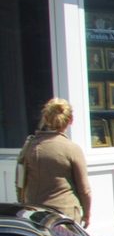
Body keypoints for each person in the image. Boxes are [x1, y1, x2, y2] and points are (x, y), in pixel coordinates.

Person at [15, 97, 92, 226]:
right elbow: (84, 190)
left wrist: (23, 205)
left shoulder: (29, 146)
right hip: (64, 215)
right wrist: (87, 214)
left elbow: (20, 183)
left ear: (45, 119)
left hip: (34, 214)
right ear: (70, 121)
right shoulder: (71, 148)